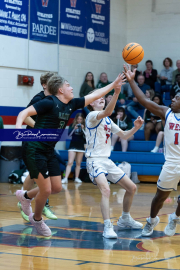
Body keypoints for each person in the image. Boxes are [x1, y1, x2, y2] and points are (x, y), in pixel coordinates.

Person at [15, 73, 125, 237]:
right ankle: (37, 220)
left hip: (49, 150)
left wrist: (114, 84)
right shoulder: (48, 102)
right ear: (60, 90)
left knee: (56, 188)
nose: (72, 87)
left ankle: (25, 196)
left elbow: (95, 94)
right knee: (45, 190)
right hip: (34, 149)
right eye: (68, 85)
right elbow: (23, 114)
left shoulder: (72, 104)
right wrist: (18, 131)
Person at [123, 63, 180, 237]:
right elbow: (144, 101)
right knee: (159, 198)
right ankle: (152, 220)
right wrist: (132, 82)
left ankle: (175, 218)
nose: (172, 99)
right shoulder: (166, 112)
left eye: (176, 98)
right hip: (171, 163)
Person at [85, 74, 144, 238]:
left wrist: (136, 127)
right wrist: (117, 92)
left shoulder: (108, 121)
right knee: (105, 189)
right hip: (94, 161)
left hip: (107, 161)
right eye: (98, 97)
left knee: (132, 188)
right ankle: (107, 226)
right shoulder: (91, 116)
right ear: (91, 102)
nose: (101, 98)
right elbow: (109, 111)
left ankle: (125, 218)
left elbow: (124, 135)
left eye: (103, 97)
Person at [18, 72, 58, 222]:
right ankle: (31, 201)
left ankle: (23, 199)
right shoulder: (39, 98)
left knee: (35, 174)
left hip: (45, 142)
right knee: (39, 174)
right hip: (33, 140)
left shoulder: (54, 100)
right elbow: (25, 115)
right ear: (45, 85)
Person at [62, 113, 86, 184]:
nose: (79, 121)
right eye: (78, 119)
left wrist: (83, 129)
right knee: (70, 162)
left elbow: (87, 136)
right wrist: (74, 129)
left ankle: (76, 178)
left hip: (81, 146)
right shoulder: (71, 125)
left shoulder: (84, 126)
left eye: (81, 119)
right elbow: (69, 135)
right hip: (73, 145)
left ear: (82, 120)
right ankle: (65, 178)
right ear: (76, 119)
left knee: (78, 163)